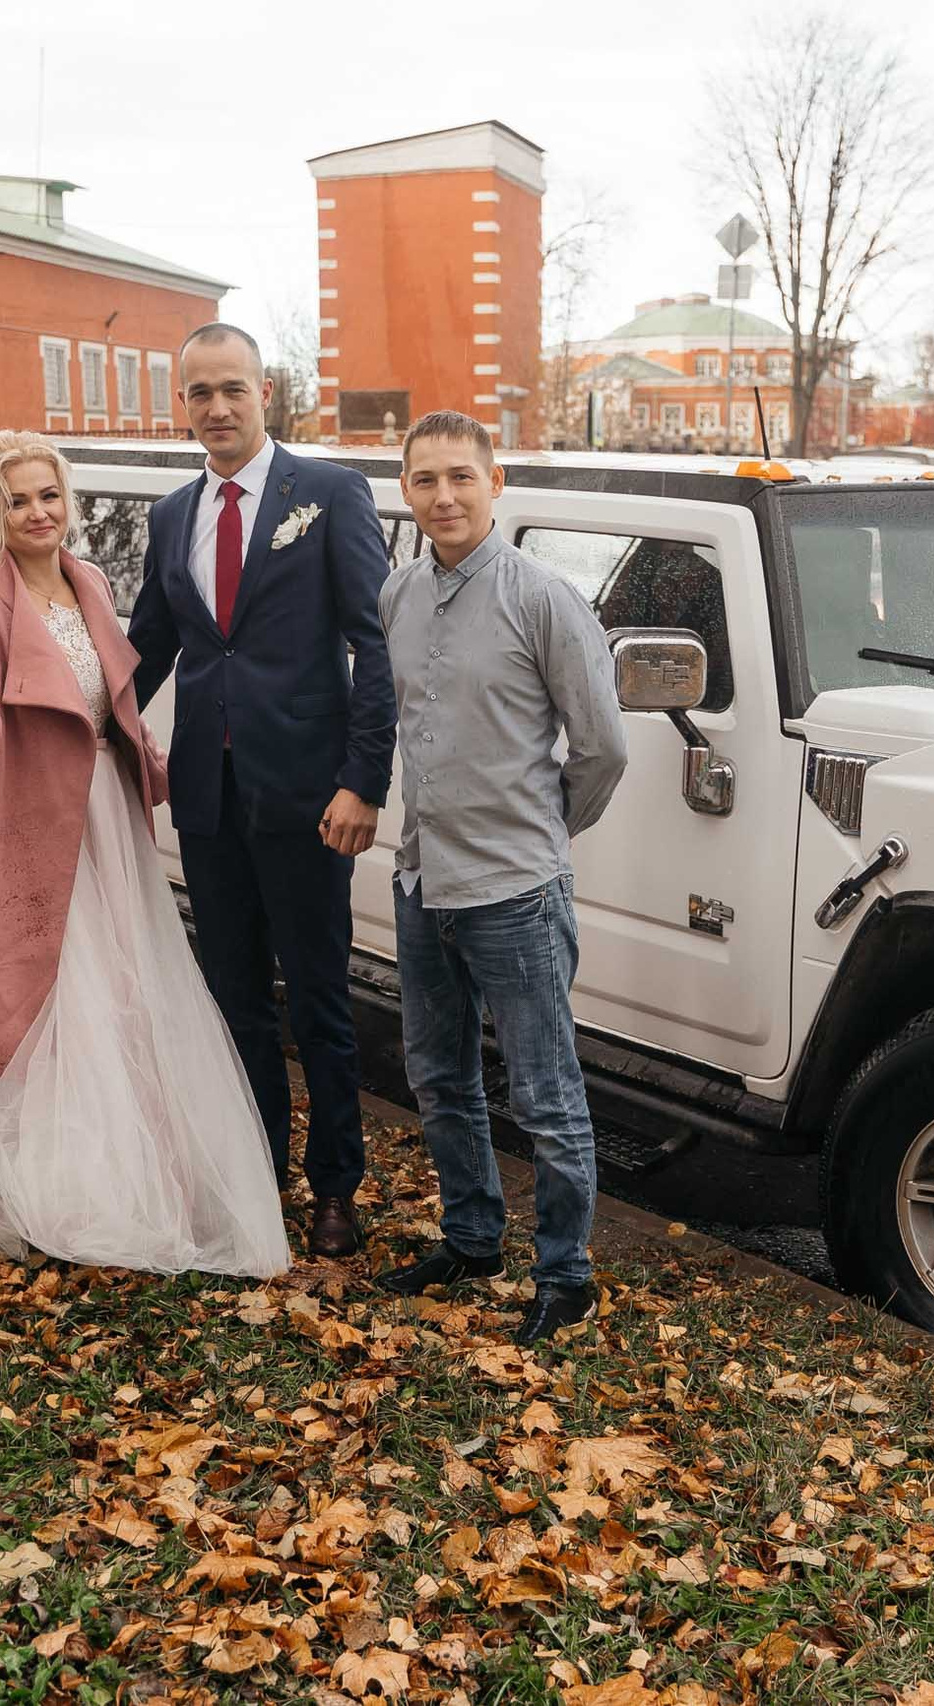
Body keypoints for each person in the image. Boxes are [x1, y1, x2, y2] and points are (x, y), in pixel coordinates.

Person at [0, 432, 287, 1277]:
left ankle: (119, 1185)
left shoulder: (89, 583)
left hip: (107, 820)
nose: (38, 512)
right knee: (36, 997)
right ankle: (21, 1192)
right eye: (18, 500)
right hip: (23, 827)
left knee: (122, 989)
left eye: (48, 495)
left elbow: (111, 696)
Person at [127, 324, 396, 1258]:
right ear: (182, 405)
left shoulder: (328, 493)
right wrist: (65, 722)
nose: (216, 409)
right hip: (207, 798)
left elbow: (376, 642)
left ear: (265, 391)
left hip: (309, 800)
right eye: (198, 393)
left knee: (319, 1000)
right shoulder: (171, 516)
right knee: (233, 999)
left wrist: (364, 780)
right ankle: (252, 1176)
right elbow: (148, 652)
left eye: (231, 389)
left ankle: (333, 1191)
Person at [373, 411, 628, 1347]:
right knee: (439, 1080)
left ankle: (566, 1276)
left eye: (460, 479)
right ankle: (472, 1240)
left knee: (546, 1096)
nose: (443, 496)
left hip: (516, 894)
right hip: (421, 882)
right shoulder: (398, 594)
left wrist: (540, 834)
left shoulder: (545, 599)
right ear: (405, 489)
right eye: (424, 479)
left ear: (495, 483)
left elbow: (602, 748)